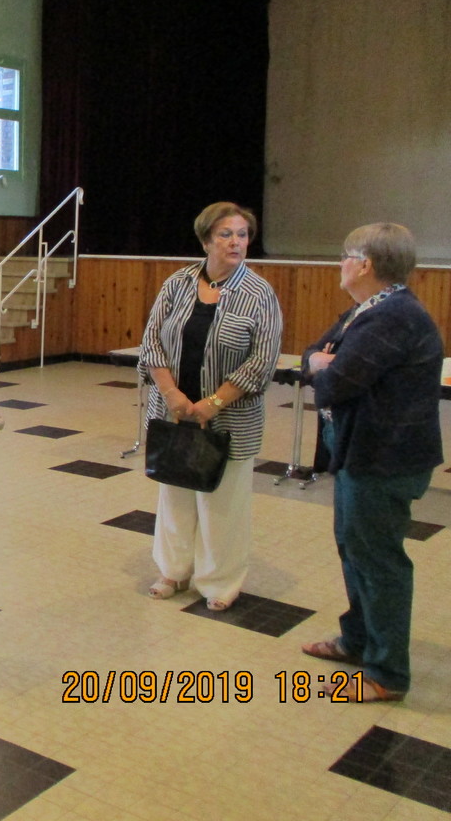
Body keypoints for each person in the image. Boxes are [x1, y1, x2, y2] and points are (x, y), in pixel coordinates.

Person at [300, 223, 442, 702]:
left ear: (366, 264)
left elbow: (335, 383)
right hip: (359, 452)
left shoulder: (393, 316)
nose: (340, 264)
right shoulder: (366, 310)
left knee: (379, 561)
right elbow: (312, 355)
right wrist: (318, 362)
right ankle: (358, 640)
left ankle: (387, 674)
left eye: (346, 255)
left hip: (384, 459)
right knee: (354, 549)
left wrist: (323, 367)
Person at [139, 202, 282, 611]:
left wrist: (214, 403)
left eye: (242, 234)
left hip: (228, 419)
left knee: (222, 503)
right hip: (174, 413)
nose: (236, 242)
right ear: (206, 241)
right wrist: (173, 395)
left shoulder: (259, 294)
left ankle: (219, 582)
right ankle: (173, 570)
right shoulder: (177, 283)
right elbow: (152, 342)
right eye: (225, 234)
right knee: (175, 493)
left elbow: (262, 360)